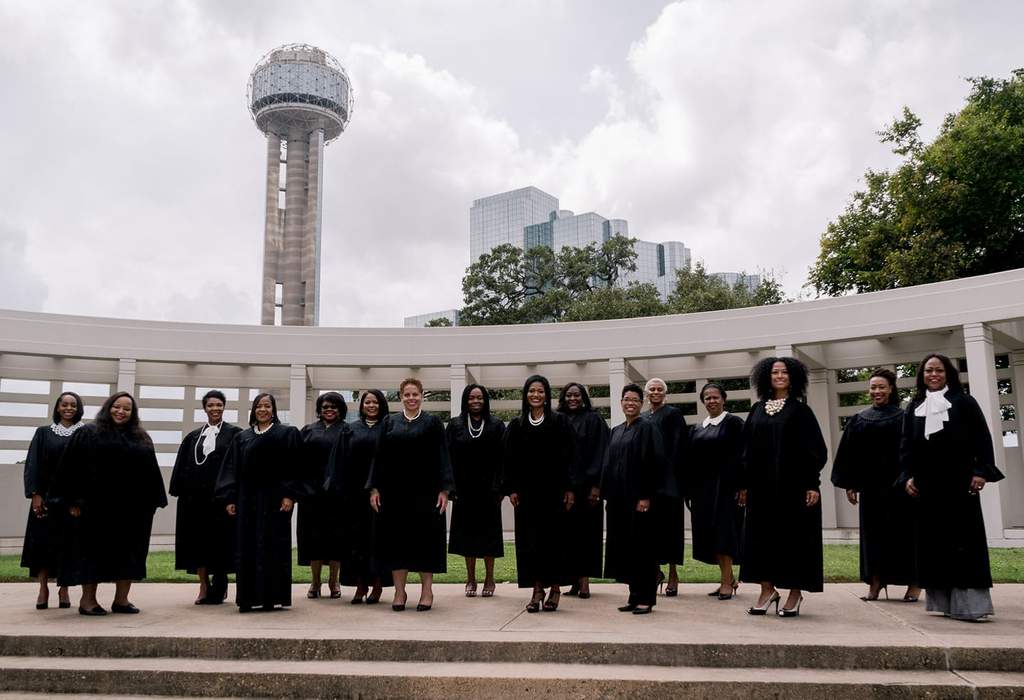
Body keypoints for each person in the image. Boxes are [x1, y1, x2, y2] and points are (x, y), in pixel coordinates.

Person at [899, 353, 1005, 621]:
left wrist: (981, 472)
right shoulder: (914, 406)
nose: (933, 375)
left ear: (949, 374)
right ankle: (943, 602)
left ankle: (970, 606)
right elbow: (906, 446)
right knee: (934, 543)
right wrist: (908, 475)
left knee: (964, 542)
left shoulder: (964, 402)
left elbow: (982, 438)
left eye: (939, 371)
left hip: (959, 483)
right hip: (927, 486)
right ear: (921, 376)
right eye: (928, 371)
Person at [49, 392, 168, 615]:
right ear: (108, 407)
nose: (121, 412)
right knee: (92, 553)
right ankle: (88, 601)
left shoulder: (140, 437)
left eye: (127, 409)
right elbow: (70, 468)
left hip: (132, 510)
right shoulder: (88, 433)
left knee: (130, 553)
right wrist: (73, 501)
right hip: (96, 508)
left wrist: (153, 501)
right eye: (116, 407)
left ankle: (121, 600)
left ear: (133, 414)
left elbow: (151, 470)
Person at [740, 357, 827, 618]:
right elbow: (745, 450)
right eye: (775, 372)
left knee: (793, 540)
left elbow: (815, 450)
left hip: (793, 489)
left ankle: (795, 593)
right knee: (760, 540)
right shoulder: (756, 409)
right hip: (761, 489)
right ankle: (767, 590)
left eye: (784, 372)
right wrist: (743, 483)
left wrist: (812, 483)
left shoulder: (801, 411)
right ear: (766, 376)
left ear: (793, 378)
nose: (779, 375)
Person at [831, 369, 920, 603]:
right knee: (874, 537)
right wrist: (849, 483)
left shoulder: (904, 417)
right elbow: (848, 453)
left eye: (882, 387)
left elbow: (913, 450)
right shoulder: (860, 418)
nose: (877, 391)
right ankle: (876, 581)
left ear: (891, 389)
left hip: (899, 487)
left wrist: (911, 476)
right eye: (873, 387)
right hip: (870, 488)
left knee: (903, 536)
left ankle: (914, 583)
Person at [215, 392, 307, 613]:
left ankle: (271, 598)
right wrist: (229, 497)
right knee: (246, 548)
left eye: (267, 406)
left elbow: (296, 467)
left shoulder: (287, 434)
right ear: (254, 410)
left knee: (273, 546)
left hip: (275, 501)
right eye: (259, 406)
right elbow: (231, 469)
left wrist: (290, 495)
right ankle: (247, 598)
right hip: (247, 501)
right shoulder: (242, 437)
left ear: (273, 410)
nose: (263, 410)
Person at [367, 378, 454, 612]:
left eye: (415, 394)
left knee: (425, 543)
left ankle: (427, 591)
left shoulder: (433, 423)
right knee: (397, 543)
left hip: (426, 494)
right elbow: (379, 457)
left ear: (422, 396)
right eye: (407, 395)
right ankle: (399, 591)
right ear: (401, 397)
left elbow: (443, 455)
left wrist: (445, 490)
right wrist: (374, 488)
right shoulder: (389, 422)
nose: (411, 398)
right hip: (394, 493)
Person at [503, 374, 576, 612]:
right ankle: (537, 589)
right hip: (527, 495)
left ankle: (554, 588)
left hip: (554, 492)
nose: (536, 395)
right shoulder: (517, 425)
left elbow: (570, 457)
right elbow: (509, 460)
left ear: (547, 395)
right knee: (530, 543)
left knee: (553, 541)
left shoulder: (560, 422)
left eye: (541, 391)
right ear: (526, 394)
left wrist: (570, 488)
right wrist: (511, 488)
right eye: (532, 391)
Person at [169, 390, 243, 605]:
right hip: (195, 501)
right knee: (198, 543)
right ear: (205, 408)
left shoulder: (234, 434)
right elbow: (184, 465)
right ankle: (203, 585)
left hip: (221, 500)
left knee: (220, 543)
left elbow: (237, 467)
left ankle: (220, 582)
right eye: (211, 405)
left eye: (219, 405)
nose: (215, 409)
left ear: (224, 407)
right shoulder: (193, 437)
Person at [601, 384, 668, 615]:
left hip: (639, 500)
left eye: (635, 400)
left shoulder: (648, 428)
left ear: (642, 403)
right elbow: (608, 464)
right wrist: (606, 495)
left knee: (642, 549)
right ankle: (633, 595)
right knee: (625, 549)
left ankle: (646, 598)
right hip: (618, 501)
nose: (630, 403)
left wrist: (645, 496)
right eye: (626, 399)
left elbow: (654, 463)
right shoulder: (616, 430)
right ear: (621, 403)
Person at [325, 389, 393, 604]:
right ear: (361, 406)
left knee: (379, 541)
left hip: (382, 493)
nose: (371, 406)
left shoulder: (390, 427)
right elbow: (339, 461)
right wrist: (337, 489)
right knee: (357, 542)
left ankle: (378, 584)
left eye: (375, 402)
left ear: (381, 404)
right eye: (367, 402)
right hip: (354, 494)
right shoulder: (350, 429)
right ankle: (360, 584)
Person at [22, 391, 84, 610]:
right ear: (58, 407)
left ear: (78, 409)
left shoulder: (85, 433)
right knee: (42, 545)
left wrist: (79, 501)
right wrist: (35, 495)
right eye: (64, 404)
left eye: (73, 405)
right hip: (46, 500)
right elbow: (33, 465)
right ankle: (42, 588)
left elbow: (88, 470)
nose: (68, 408)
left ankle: (64, 589)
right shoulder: (43, 433)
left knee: (67, 546)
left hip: (71, 502)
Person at [688, 382, 746, 600]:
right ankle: (728, 578)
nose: (711, 401)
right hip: (703, 491)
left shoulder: (734, 423)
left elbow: (743, 455)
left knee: (725, 534)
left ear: (724, 399)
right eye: (707, 398)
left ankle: (726, 582)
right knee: (711, 536)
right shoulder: (698, 427)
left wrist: (743, 486)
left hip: (726, 489)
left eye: (715, 397)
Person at [446, 384, 505, 598]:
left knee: (489, 536)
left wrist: (500, 487)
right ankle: (470, 578)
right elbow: (447, 458)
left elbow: (504, 459)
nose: (476, 401)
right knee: (466, 536)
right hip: (464, 491)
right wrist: (450, 487)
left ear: (485, 400)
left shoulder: (496, 425)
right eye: (471, 398)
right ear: (465, 400)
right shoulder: (455, 425)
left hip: (489, 491)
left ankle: (490, 578)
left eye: (480, 397)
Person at [557, 382, 609, 599]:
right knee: (567, 537)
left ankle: (585, 581)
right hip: (564, 488)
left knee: (587, 535)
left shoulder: (594, 419)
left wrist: (597, 486)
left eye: (577, 395)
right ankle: (573, 581)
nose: (572, 399)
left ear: (584, 397)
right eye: (568, 395)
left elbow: (602, 452)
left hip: (588, 488)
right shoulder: (558, 419)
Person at [298, 392, 349, 600]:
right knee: (313, 540)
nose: (330, 410)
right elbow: (298, 463)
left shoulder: (347, 430)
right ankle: (315, 581)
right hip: (312, 495)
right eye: (326, 406)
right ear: (319, 409)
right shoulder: (308, 431)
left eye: (334, 407)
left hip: (338, 495)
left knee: (336, 540)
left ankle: (334, 581)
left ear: (341, 409)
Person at [641, 378, 686, 596]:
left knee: (671, 530)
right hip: (649, 484)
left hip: (669, 483)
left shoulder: (673, 414)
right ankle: (656, 572)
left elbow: (678, 447)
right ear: (646, 393)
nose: (656, 392)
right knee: (651, 531)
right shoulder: (642, 417)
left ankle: (673, 574)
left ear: (665, 393)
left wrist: (675, 478)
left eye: (660, 389)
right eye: (652, 389)